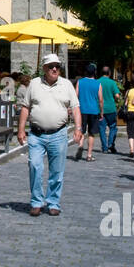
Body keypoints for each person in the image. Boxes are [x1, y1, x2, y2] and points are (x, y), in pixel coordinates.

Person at [17, 53, 82, 216]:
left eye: (57, 66)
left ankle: (53, 202)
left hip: (58, 134)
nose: (55, 69)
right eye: (51, 66)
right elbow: (26, 107)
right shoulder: (34, 84)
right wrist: (20, 129)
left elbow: (75, 108)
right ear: (44, 68)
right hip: (36, 134)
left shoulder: (66, 84)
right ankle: (37, 202)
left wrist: (78, 128)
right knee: (35, 167)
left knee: (57, 171)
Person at [76, 63, 102, 162]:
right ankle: (89, 155)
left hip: (82, 110)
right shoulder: (98, 83)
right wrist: (101, 111)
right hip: (94, 110)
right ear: (94, 72)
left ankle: (81, 145)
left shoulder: (80, 82)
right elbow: (100, 100)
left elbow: (76, 95)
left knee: (82, 130)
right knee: (91, 133)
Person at [98, 66, 121, 154]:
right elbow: (117, 96)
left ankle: (104, 148)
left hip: (100, 109)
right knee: (112, 127)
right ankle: (110, 143)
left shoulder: (97, 82)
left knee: (102, 128)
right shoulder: (112, 83)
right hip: (111, 108)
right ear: (109, 73)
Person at [123, 75, 134, 161]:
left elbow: (125, 103)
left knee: (130, 131)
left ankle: (131, 150)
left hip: (129, 112)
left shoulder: (128, 91)